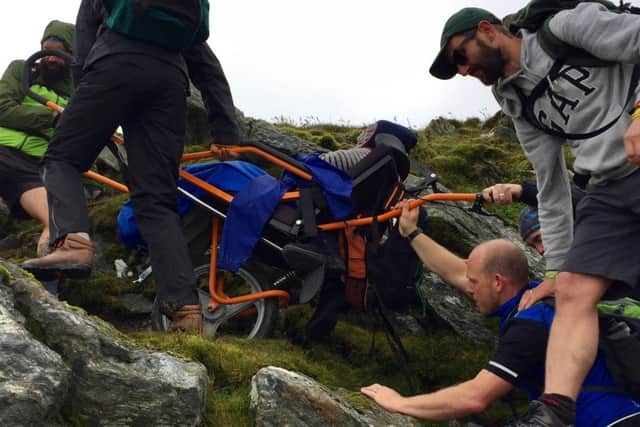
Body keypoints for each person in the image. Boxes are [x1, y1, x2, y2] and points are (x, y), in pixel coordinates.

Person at [429, 5, 640, 424]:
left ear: (487, 31)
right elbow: (551, 185)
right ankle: (555, 411)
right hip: (603, 187)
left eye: (460, 56)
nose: (464, 70)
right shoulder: (516, 99)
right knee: (573, 290)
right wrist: (555, 273)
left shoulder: (564, 29)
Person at [22, 0, 241, 333]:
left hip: (114, 64)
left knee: (62, 158)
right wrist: (225, 129)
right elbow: (206, 63)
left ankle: (73, 242)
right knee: (157, 202)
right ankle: (185, 309)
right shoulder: (180, 14)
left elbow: (83, 41)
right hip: (169, 81)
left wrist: (85, 100)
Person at [360, 201, 640, 426]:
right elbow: (459, 272)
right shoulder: (535, 297)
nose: (468, 289)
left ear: (497, 282)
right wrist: (412, 232)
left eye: (474, 284)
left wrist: (399, 403)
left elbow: (475, 397)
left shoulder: (529, 325)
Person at [0, 20, 74, 257]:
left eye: (58, 53)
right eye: (46, 51)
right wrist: (50, 117)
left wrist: (90, 187)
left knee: (55, 217)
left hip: (32, 167)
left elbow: (82, 139)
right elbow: (2, 107)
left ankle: (51, 260)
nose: (50, 59)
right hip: (2, 148)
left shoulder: (80, 92)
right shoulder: (22, 70)